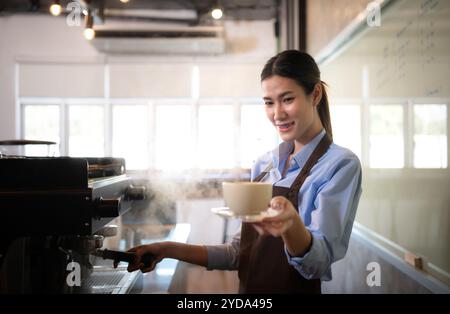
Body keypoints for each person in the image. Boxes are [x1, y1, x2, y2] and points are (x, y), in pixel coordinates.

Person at [122, 50, 362, 294]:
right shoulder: (264, 164)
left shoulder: (340, 165)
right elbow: (239, 253)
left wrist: (291, 225)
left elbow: (316, 265)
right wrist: (167, 249)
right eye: (269, 102)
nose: (277, 114)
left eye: (287, 99)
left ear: (315, 95)